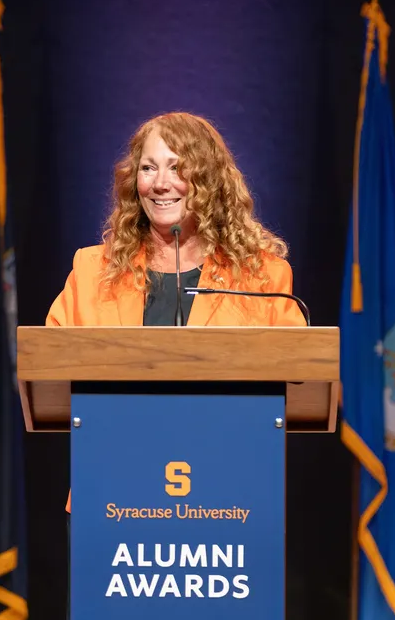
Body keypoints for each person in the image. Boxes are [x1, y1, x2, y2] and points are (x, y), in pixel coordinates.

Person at [46, 111, 307, 525]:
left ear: (209, 180)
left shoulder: (263, 275)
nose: (160, 183)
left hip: (228, 503)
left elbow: (303, 374)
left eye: (177, 168)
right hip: (115, 496)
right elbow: (47, 366)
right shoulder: (92, 270)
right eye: (148, 168)